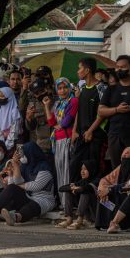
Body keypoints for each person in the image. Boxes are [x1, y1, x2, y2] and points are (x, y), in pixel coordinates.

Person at [0, 142, 55, 225]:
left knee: (32, 206)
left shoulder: (44, 167)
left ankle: (15, 217)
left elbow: (35, 186)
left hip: (43, 199)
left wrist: (18, 185)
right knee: (12, 188)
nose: (22, 157)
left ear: (31, 153)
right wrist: (15, 165)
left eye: (23, 154)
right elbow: (16, 182)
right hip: (29, 196)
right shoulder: (26, 166)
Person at [71, 57, 107, 183]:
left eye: (79, 68)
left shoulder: (102, 88)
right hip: (81, 136)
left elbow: (102, 114)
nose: (78, 71)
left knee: (93, 170)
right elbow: (79, 113)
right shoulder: (83, 89)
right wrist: (74, 131)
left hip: (95, 136)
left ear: (87, 70)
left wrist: (91, 131)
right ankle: (77, 199)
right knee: (75, 167)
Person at [44, 77, 77, 211]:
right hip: (57, 140)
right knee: (60, 172)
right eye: (59, 88)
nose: (62, 91)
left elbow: (66, 122)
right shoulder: (58, 103)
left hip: (67, 139)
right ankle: (64, 206)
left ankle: (69, 206)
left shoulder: (73, 100)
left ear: (69, 88)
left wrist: (59, 125)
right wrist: (46, 106)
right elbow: (52, 123)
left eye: (65, 87)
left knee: (66, 172)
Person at [98, 55, 130, 168]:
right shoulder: (111, 89)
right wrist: (117, 109)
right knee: (117, 170)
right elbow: (101, 111)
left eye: (123, 67)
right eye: (117, 67)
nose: (118, 70)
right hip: (115, 136)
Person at [97, 146, 130, 232]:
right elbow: (105, 180)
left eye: (129, 152)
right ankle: (105, 224)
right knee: (103, 199)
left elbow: (129, 184)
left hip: (128, 197)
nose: (125, 153)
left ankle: (120, 223)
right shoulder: (120, 168)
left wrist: (109, 190)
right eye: (124, 154)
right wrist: (103, 190)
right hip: (119, 197)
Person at [56, 160, 98, 229]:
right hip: (88, 213)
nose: (82, 171)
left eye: (85, 169)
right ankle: (69, 219)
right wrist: (73, 188)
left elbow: (87, 188)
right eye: (81, 169)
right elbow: (61, 188)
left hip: (96, 212)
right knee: (68, 192)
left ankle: (79, 220)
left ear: (91, 170)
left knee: (85, 192)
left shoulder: (97, 180)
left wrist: (77, 189)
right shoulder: (82, 181)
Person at [0, 86, 21, 152]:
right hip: (4, 145)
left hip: (15, 143)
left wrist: (6, 147)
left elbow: (14, 131)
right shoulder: (0, 111)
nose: (0, 98)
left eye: (2, 96)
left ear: (9, 97)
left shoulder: (14, 111)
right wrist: (0, 144)